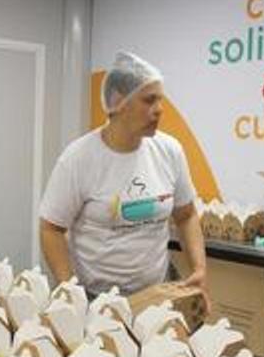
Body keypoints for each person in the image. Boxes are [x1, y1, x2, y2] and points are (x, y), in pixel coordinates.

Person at [39, 52, 207, 299]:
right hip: (95, 296)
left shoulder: (169, 151)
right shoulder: (79, 158)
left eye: (160, 100)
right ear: (119, 101)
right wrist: (70, 289)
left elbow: (187, 215)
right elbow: (51, 229)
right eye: (149, 100)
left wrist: (199, 268)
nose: (159, 110)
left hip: (157, 292)